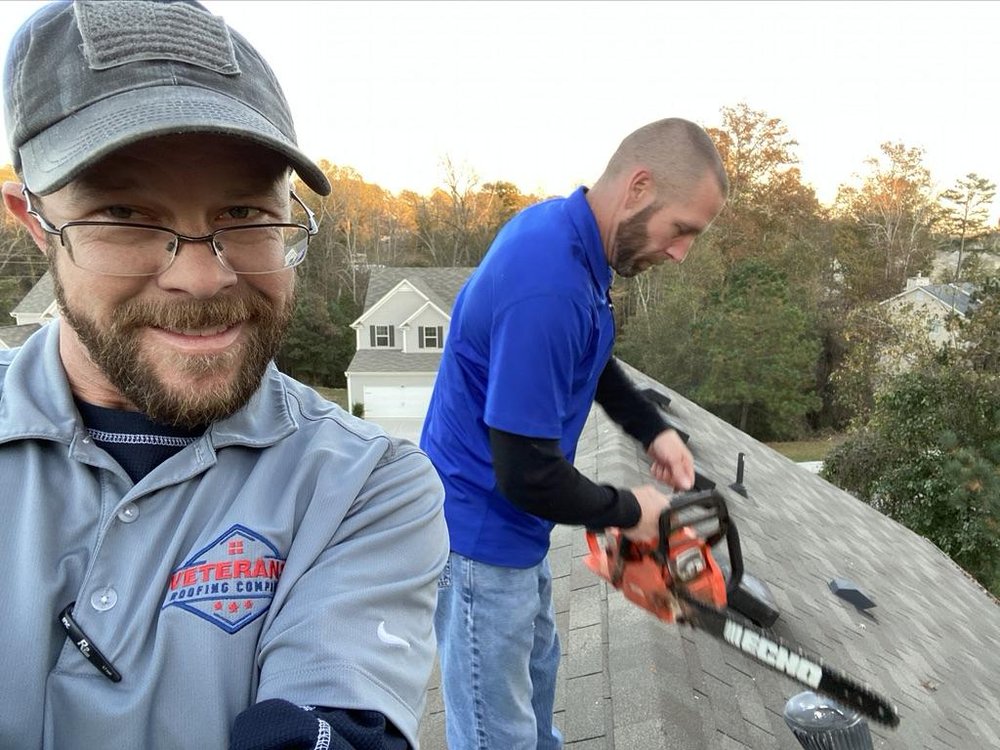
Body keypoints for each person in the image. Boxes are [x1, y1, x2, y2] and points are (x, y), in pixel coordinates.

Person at [0, 2, 448, 749]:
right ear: (32, 217)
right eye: (125, 213)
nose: (203, 278)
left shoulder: (364, 490)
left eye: (243, 212)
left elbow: (332, 726)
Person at [420, 118, 728, 749]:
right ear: (639, 186)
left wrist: (653, 430)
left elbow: (591, 355)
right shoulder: (548, 283)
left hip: (515, 531)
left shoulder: (574, 244)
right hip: (480, 537)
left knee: (533, 702)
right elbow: (527, 473)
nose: (680, 253)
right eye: (682, 230)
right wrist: (628, 510)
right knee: (494, 733)